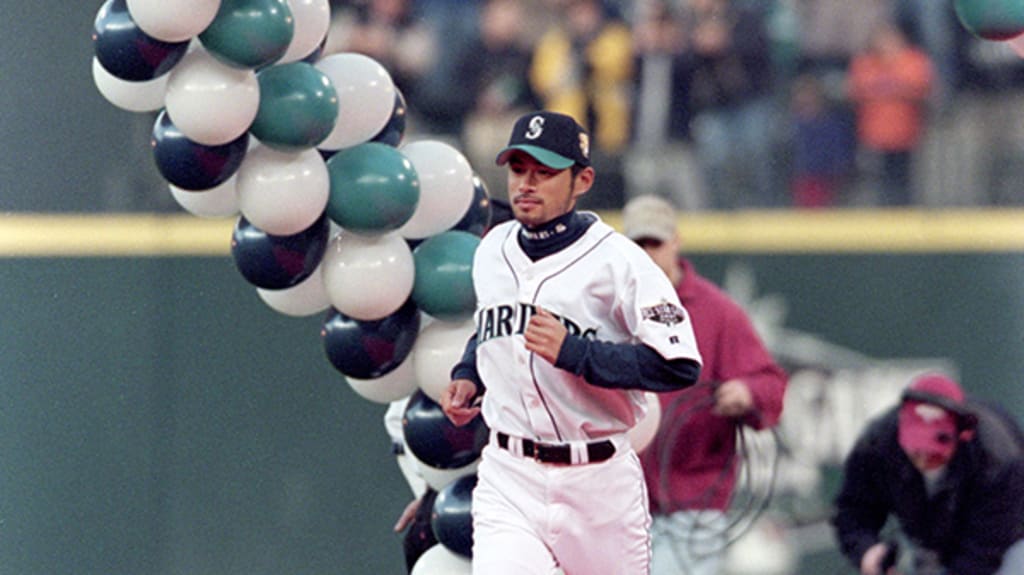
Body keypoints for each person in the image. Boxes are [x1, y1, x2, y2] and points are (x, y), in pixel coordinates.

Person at [439, 110, 704, 574]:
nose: (526, 183)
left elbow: (678, 364)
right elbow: (492, 326)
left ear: (582, 180)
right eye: (519, 169)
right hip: (510, 474)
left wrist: (577, 353)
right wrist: (468, 374)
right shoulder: (492, 250)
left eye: (544, 172)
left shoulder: (620, 261)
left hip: (597, 483)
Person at [622, 194, 788, 575]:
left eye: (655, 243)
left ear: (675, 242)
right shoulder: (613, 307)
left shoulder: (717, 311)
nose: (647, 254)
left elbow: (770, 384)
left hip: (693, 502)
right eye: (638, 245)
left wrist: (746, 393)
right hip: (622, 501)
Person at [832, 372, 1024, 575]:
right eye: (916, 447)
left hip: (1006, 542)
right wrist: (867, 551)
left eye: (934, 451)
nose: (923, 458)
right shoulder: (878, 443)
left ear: (961, 435)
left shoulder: (997, 458)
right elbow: (852, 510)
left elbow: (984, 550)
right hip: (927, 542)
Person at [847, 21, 934, 207]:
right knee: (876, 184)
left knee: (903, 182)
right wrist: (894, 87)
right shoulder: (865, 63)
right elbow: (858, 89)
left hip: (906, 134)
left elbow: (920, 87)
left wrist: (888, 86)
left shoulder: (914, 60)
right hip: (873, 136)